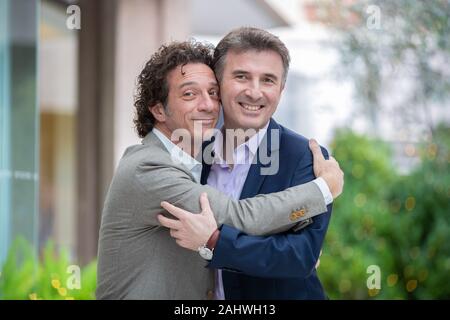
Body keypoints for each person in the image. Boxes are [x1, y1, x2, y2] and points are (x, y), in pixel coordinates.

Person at [96, 40, 343, 299]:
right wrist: (324, 189)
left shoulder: (305, 156)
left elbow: (301, 256)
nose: (208, 105)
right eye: (189, 94)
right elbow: (237, 216)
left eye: (212, 93)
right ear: (158, 109)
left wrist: (219, 242)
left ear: (282, 89)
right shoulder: (151, 167)